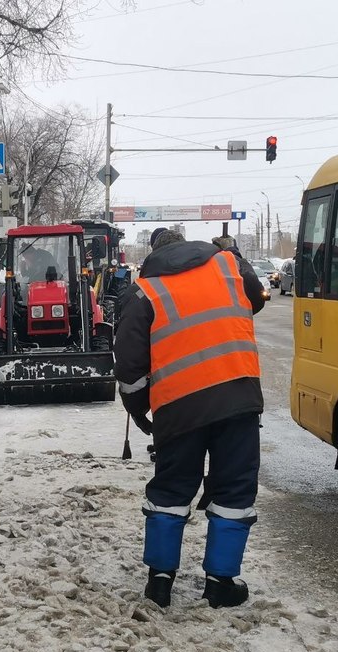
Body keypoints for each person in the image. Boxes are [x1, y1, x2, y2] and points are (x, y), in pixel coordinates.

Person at [114, 228, 266, 609]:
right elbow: (256, 297)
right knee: (234, 488)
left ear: (153, 255)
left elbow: (130, 371)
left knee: (171, 489)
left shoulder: (143, 293)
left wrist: (141, 413)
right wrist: (233, 253)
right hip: (238, 398)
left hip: (178, 409)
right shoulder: (229, 266)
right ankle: (220, 583)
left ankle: (160, 583)